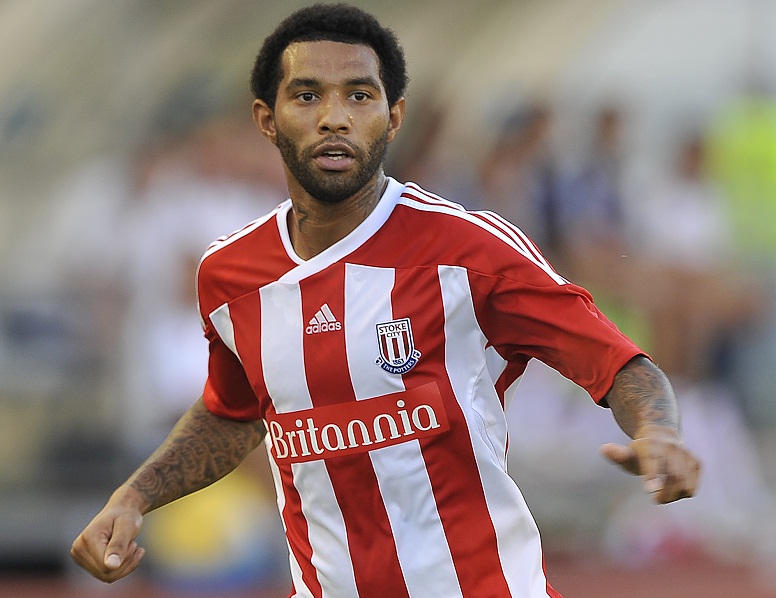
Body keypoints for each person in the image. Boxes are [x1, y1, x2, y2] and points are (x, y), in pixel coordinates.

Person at [70, 4, 701, 597]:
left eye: (360, 95)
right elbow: (234, 413)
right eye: (307, 95)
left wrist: (658, 431)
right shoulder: (231, 276)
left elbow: (620, 364)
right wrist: (134, 497)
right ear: (266, 118)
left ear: (393, 117)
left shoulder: (468, 249)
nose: (334, 117)